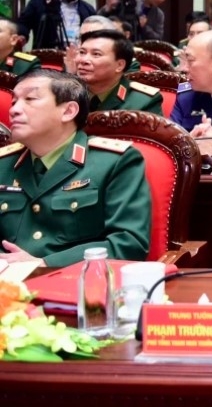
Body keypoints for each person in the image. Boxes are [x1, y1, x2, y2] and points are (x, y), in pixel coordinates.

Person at [0, 70, 151, 268]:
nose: (14, 110)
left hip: (78, 284)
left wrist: (44, 263)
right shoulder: (4, 163)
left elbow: (129, 243)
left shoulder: (114, 162)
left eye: (30, 99)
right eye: (14, 101)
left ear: (68, 111)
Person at [72, 30, 164, 114]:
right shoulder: (65, 94)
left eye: (96, 54)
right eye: (82, 52)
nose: (84, 60)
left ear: (120, 65)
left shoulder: (143, 101)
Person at [17, 0, 97, 48]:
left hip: (77, 53)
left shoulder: (88, 9)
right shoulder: (40, 1)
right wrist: (22, 35)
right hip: (48, 53)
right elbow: (24, 22)